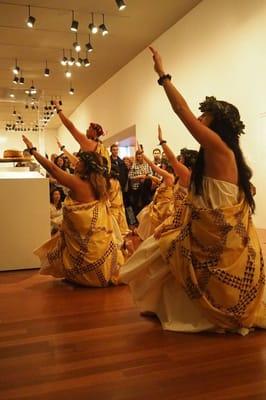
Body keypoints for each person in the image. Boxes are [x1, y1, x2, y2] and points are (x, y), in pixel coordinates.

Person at [120, 47, 266, 334]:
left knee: (159, 252)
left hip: (213, 233)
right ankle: (162, 306)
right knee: (160, 251)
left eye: (205, 115)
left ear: (217, 123)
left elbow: (181, 111)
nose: (199, 119)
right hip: (206, 229)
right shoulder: (220, 155)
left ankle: (192, 312)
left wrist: (163, 75)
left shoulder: (219, 148)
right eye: (200, 115)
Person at [22, 135, 124, 287]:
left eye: (80, 162)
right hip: (93, 235)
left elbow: (52, 168)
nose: (76, 163)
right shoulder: (97, 183)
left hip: (84, 234)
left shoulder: (78, 183)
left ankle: (86, 277)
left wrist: (33, 150)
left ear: (85, 166)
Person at [53, 100, 111, 172]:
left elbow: (70, 127)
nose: (87, 130)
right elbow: (76, 162)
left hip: (90, 180)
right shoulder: (100, 146)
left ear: (94, 132)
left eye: (89, 128)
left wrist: (58, 108)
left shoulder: (89, 143)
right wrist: (62, 148)